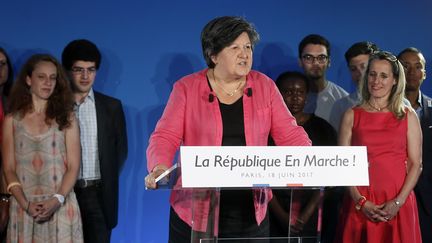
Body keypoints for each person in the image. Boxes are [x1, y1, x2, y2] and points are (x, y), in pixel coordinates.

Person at [145, 16, 311, 242]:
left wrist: (314, 161)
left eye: (248, 47)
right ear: (213, 55)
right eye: (235, 48)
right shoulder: (186, 88)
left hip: (251, 213)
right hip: (196, 212)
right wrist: (159, 167)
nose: (245, 54)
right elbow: (165, 135)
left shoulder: (264, 86)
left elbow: (290, 135)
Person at [336, 51, 422, 242]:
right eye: (372, 74)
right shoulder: (351, 115)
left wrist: (398, 203)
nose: (376, 81)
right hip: (361, 204)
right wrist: (361, 202)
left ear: (394, 80)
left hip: (398, 202)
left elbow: (416, 164)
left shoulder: (408, 116)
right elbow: (342, 166)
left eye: (384, 76)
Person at [2, 54, 83, 242]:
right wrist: (25, 204)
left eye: (53, 78)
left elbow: (73, 166)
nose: (48, 83)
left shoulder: (67, 118)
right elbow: (9, 169)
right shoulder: (12, 121)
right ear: (29, 80)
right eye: (42, 77)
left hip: (60, 206)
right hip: (25, 208)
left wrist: (57, 200)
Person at [61, 39, 128, 243]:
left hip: (99, 196)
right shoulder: (56, 107)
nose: (85, 76)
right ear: (66, 71)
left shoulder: (111, 107)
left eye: (90, 70)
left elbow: (120, 151)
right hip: (64, 193)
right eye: (78, 69)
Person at [270, 71, 338, 242]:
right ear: (278, 95)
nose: (295, 98)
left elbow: (330, 175)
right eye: (288, 92)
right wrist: (282, 215)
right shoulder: (266, 129)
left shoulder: (323, 129)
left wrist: (306, 214)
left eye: (300, 92)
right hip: (272, 214)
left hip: (313, 214)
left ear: (307, 96)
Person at [398, 47, 431, 242]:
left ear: (424, 74)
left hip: (427, 201)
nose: (411, 72)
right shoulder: (382, 110)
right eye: (405, 66)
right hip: (393, 196)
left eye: (417, 67)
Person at [298, 34, 348, 126]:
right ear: (300, 62)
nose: (315, 63)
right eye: (308, 58)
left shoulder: (343, 100)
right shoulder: (286, 99)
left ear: (329, 62)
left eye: (321, 58)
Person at [329, 41, 379, 132]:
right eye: (353, 69)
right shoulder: (341, 106)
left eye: (364, 67)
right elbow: (335, 143)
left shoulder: (399, 104)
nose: (359, 73)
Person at [0, 47, 14, 241]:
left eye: (3, 64)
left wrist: (5, 199)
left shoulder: (15, 104)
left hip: (9, 188)